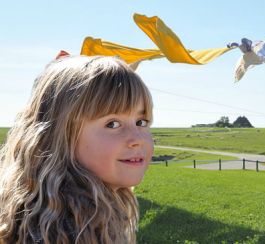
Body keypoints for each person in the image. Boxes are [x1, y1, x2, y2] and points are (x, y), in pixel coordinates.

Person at [0, 54, 154, 243]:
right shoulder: (68, 232)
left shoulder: (82, 212)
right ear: (60, 136)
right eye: (112, 124)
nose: (137, 138)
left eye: (141, 121)